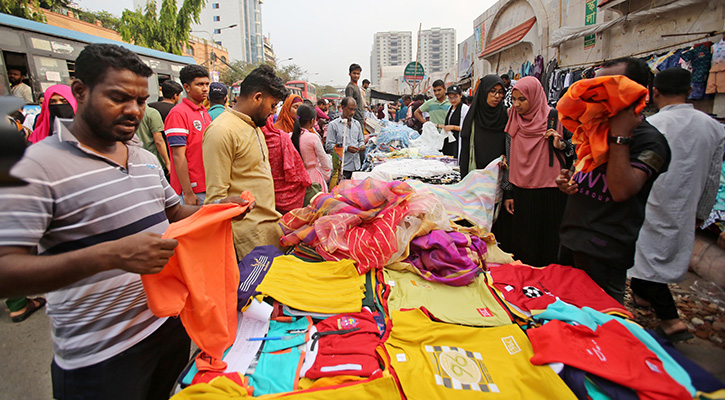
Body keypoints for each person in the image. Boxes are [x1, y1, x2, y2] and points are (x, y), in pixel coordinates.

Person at [0, 43, 251, 400]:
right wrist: (109, 256)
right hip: (101, 358)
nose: (133, 111)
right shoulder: (37, 167)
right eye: (118, 97)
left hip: (169, 328)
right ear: (80, 91)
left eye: (141, 101)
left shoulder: (145, 158)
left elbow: (174, 214)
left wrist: (219, 208)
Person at [557, 57, 671, 304]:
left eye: (611, 84)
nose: (599, 92)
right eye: (596, 84)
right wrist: (568, 182)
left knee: (600, 328)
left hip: (604, 251)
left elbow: (621, 190)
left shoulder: (651, 142)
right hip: (572, 239)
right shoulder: (595, 128)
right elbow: (582, 173)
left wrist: (619, 135)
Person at [629, 68, 725, 341]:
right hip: (686, 202)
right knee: (649, 256)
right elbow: (713, 175)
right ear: (691, 91)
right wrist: (702, 213)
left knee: (646, 254)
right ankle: (641, 294)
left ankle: (671, 320)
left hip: (650, 199)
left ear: (654, 92)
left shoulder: (651, 125)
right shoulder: (713, 127)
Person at [203, 64, 289, 258]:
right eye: (272, 105)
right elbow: (215, 200)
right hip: (247, 242)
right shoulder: (221, 131)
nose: (273, 112)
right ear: (257, 97)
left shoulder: (254, 126)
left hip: (270, 232)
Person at [502, 76, 570, 267]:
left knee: (549, 239)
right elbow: (509, 156)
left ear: (535, 96)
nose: (517, 104)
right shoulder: (513, 118)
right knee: (524, 242)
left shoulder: (555, 118)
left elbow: (576, 148)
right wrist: (509, 191)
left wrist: (561, 144)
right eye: (514, 99)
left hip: (550, 189)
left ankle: (550, 282)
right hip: (522, 189)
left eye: (522, 99)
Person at [165, 64, 211, 205]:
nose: (205, 88)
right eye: (200, 84)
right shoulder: (178, 113)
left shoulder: (204, 113)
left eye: (207, 84)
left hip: (207, 186)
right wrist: (188, 192)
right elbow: (178, 155)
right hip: (192, 191)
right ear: (187, 87)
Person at [261, 101, 311, 215]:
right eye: (294, 107)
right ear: (286, 109)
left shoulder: (279, 135)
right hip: (273, 192)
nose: (297, 110)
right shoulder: (276, 133)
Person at [460, 75, 508, 175]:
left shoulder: (504, 114)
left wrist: (506, 156)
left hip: (499, 174)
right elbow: (465, 150)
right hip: (477, 174)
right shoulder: (473, 116)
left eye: (500, 92)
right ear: (483, 92)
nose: (497, 95)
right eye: (493, 91)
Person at [293, 103, 332, 193]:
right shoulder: (313, 138)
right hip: (313, 179)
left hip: (296, 179)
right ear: (312, 121)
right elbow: (325, 162)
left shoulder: (289, 136)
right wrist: (325, 175)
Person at [325, 96, 365, 179]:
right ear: (342, 108)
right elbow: (329, 146)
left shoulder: (357, 124)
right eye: (350, 109)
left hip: (356, 166)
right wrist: (346, 148)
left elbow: (361, 140)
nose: (353, 112)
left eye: (354, 109)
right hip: (343, 168)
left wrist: (361, 146)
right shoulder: (333, 125)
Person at [135, 106, 171, 173]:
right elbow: (159, 141)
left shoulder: (127, 113)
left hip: (135, 161)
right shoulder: (152, 113)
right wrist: (167, 162)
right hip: (153, 161)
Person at [441, 85, 469, 158]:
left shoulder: (464, 109)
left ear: (460, 95)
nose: (453, 100)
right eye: (450, 98)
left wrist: (453, 127)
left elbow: (467, 128)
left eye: (455, 97)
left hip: (459, 141)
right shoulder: (450, 108)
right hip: (450, 142)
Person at [344, 64, 365, 130]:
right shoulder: (350, 87)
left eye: (358, 74)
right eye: (354, 73)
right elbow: (349, 105)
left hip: (360, 117)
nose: (356, 76)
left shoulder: (356, 87)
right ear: (350, 74)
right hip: (355, 118)